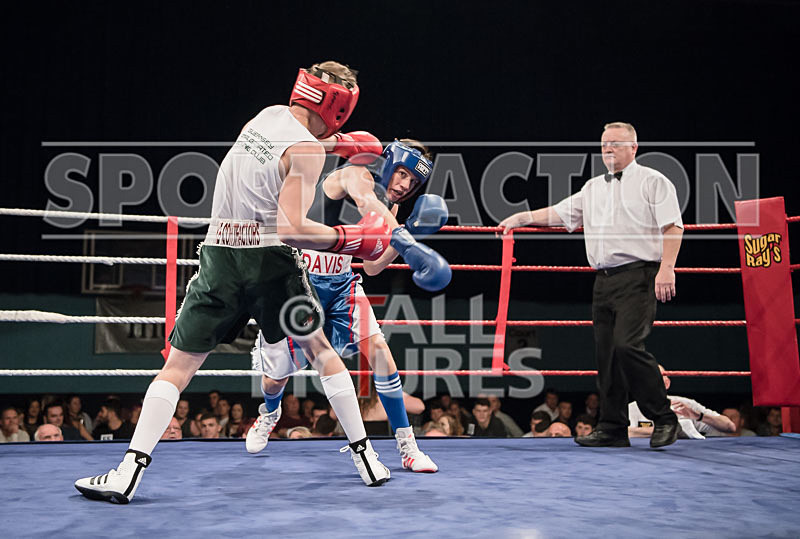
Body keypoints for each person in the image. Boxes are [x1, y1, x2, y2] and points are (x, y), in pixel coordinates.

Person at [76, 61, 400, 503]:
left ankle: (128, 472)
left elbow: (296, 142)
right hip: (270, 262)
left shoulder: (265, 116)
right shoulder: (308, 152)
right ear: (341, 106)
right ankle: (368, 459)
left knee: (178, 367)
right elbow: (291, 228)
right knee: (321, 351)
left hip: (221, 258)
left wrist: (339, 145)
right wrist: (349, 240)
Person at [248, 137, 448, 473]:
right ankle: (269, 413)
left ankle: (408, 447)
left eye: (413, 183)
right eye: (402, 174)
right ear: (388, 163)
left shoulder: (393, 211)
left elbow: (372, 266)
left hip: (342, 284)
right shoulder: (355, 175)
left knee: (381, 353)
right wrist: (403, 236)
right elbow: (367, 201)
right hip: (299, 283)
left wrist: (409, 231)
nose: (404, 186)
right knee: (274, 380)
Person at [501, 121, 683, 449]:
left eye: (615, 143)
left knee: (628, 346)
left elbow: (673, 227)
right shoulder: (593, 187)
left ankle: (664, 416)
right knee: (607, 357)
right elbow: (559, 213)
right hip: (603, 280)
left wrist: (666, 269)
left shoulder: (654, 181)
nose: (608, 149)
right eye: (603, 144)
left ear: (633, 148)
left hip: (639, 274)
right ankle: (612, 427)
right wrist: (521, 218)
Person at [628, 365, 735, 439]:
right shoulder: (632, 409)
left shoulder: (685, 405)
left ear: (666, 384)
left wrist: (698, 416)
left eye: (656, 379)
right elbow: (619, 432)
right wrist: (668, 430)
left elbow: (730, 427)